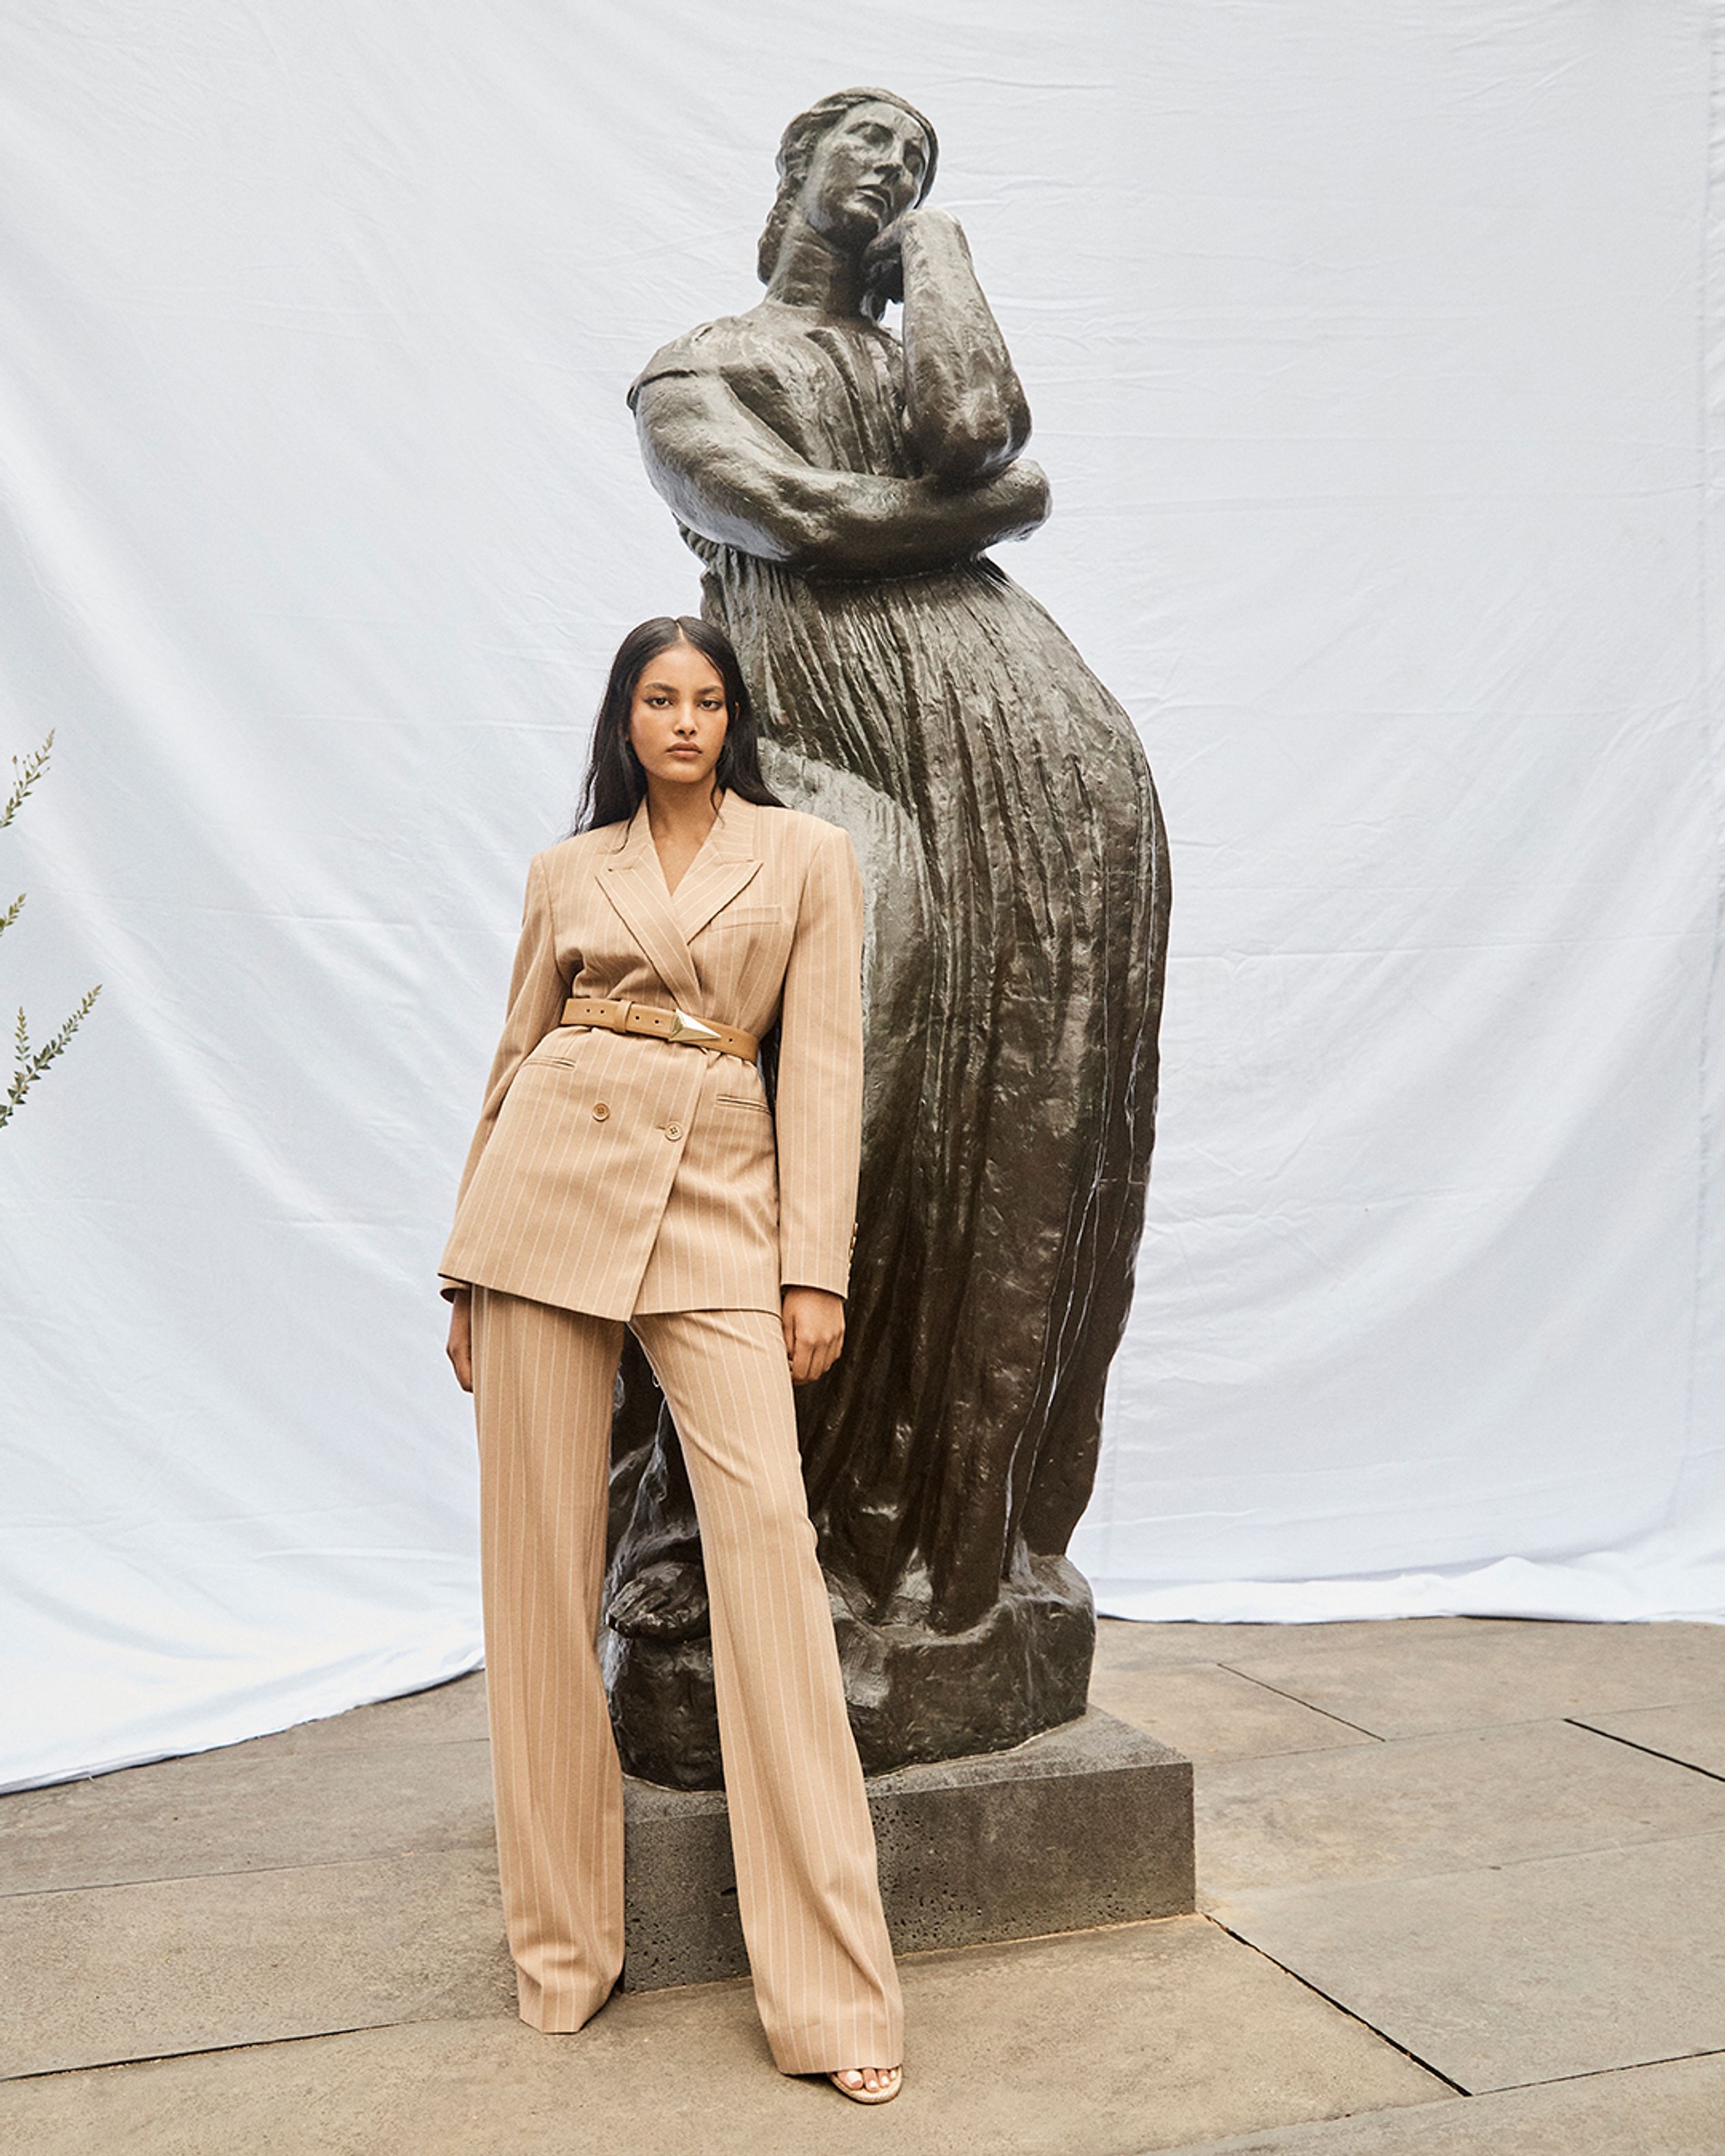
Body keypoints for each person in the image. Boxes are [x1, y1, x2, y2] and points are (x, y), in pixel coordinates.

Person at [617, 90, 1170, 1699]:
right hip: (831, 737)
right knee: (851, 1083)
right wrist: (1003, 517)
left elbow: (967, 428)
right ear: (790, 167)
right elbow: (806, 522)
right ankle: (705, 1525)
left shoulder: (917, 298)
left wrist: (940, 252)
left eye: (918, 160)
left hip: (1041, 777)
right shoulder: (697, 367)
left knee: (1020, 1133)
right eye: (865, 145)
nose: (891, 168)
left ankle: (952, 1540)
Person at [439, 614, 903, 2104]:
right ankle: (561, 1954)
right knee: (537, 1578)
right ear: (625, 720)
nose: (684, 720)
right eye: (659, 698)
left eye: (707, 699)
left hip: (717, 1195)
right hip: (543, 1198)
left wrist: (809, 1266)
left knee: (763, 1542)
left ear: (733, 720)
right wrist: (463, 1268)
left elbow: (818, 1064)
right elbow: (513, 1059)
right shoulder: (564, 873)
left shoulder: (806, 858)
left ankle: (834, 2003)